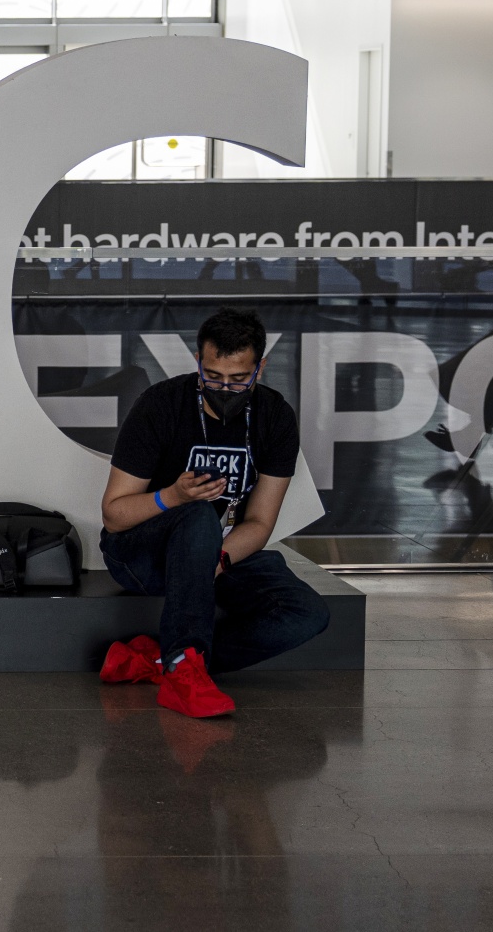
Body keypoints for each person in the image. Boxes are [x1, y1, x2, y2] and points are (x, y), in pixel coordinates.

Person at [97, 307, 330, 718]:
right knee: (199, 515)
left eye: (238, 379)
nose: (224, 388)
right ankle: (183, 672)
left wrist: (218, 561)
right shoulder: (160, 405)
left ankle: (166, 662)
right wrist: (173, 496)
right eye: (212, 376)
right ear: (197, 362)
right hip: (140, 554)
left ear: (260, 368)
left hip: (217, 553)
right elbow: (114, 516)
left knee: (307, 613)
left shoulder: (275, 417)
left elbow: (259, 523)